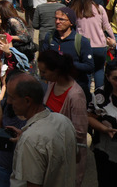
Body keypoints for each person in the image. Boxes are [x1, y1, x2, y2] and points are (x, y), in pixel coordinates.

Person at [5, 73, 77, 187]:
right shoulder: (64, 121)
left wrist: (28, 142)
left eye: (12, 98)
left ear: (27, 101)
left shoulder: (30, 139)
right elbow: (73, 157)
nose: (8, 102)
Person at [37, 49, 88, 185]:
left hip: (67, 157)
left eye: (44, 72)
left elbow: (80, 132)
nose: (41, 75)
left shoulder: (75, 95)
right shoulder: (52, 84)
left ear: (57, 71)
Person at [88, 59, 117, 187]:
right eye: (116, 78)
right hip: (105, 150)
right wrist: (104, 129)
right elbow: (88, 117)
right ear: (107, 77)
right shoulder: (100, 95)